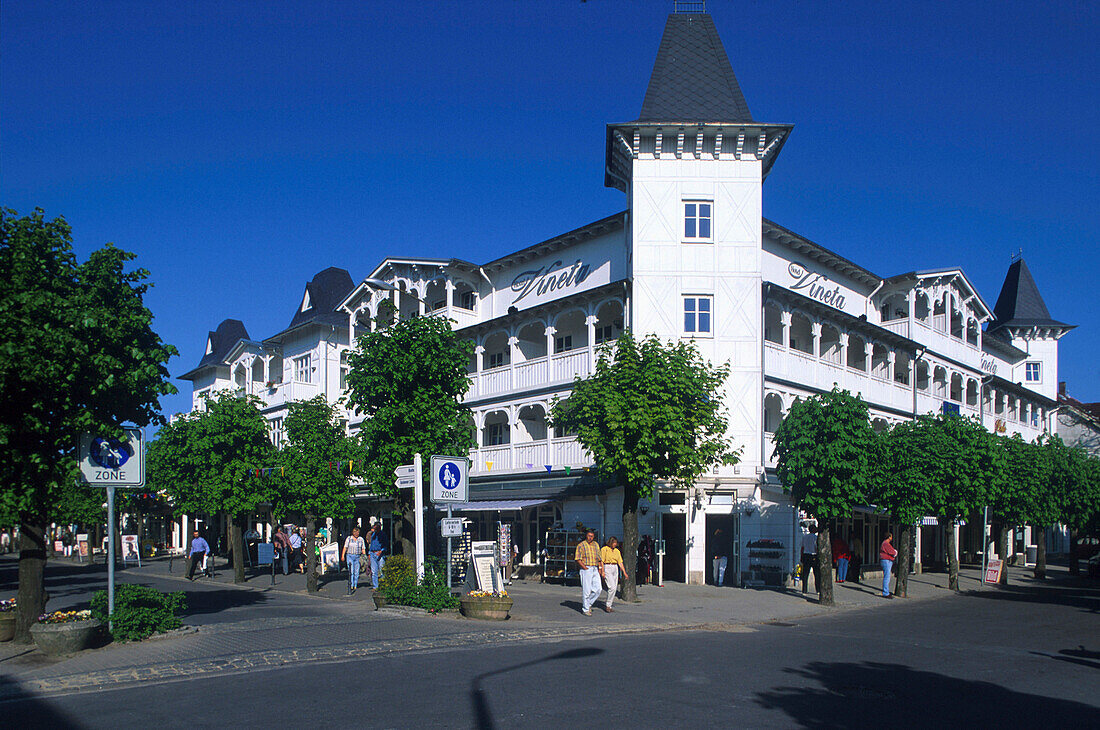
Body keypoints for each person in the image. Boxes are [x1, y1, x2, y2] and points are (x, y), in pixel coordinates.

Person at [575, 529, 603, 616]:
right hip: (586, 568)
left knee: (598, 589)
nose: (590, 538)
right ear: (586, 536)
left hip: (594, 567)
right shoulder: (581, 545)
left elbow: (599, 557)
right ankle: (586, 609)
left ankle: (589, 603)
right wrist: (585, 568)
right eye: (589, 536)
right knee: (587, 590)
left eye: (592, 536)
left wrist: (600, 568)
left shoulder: (596, 545)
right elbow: (578, 559)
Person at [600, 536, 626, 612]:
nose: (615, 544)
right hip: (607, 566)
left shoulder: (617, 551)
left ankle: (609, 605)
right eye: (613, 543)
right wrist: (602, 571)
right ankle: (608, 605)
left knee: (615, 587)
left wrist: (624, 571)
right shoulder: (604, 549)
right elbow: (601, 560)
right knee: (612, 587)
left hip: (615, 567)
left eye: (615, 543)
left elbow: (620, 562)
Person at [341, 526, 366, 595]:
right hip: (350, 555)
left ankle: (355, 584)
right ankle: (351, 585)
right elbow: (345, 547)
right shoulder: (349, 539)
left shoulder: (361, 539)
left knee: (357, 571)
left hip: (357, 556)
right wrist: (342, 555)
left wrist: (364, 556)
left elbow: (363, 548)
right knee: (351, 571)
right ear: (353, 532)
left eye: (357, 532)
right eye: (355, 532)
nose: (356, 533)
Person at [800, 523, 819, 594]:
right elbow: (816, 547)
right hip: (813, 555)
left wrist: (801, 556)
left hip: (806, 555)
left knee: (805, 574)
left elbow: (802, 547)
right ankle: (818, 589)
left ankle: (804, 590)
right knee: (816, 574)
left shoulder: (805, 537)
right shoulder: (815, 537)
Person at [367, 521, 386, 590]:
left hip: (379, 553)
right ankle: (375, 586)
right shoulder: (373, 534)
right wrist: (369, 553)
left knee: (382, 570)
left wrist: (381, 551)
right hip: (372, 553)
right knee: (374, 571)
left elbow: (385, 544)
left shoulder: (382, 534)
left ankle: (383, 585)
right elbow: (371, 544)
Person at [880, 531, 898, 598]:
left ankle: (886, 591)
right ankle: (885, 592)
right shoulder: (886, 544)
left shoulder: (885, 544)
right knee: (887, 577)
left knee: (887, 576)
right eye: (891, 536)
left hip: (886, 560)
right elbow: (892, 552)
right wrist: (895, 552)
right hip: (886, 560)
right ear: (889, 537)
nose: (892, 538)